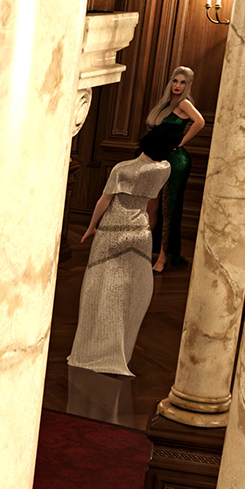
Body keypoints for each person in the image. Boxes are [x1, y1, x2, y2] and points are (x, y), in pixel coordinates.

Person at [66, 126, 177, 376]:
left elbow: (104, 201)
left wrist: (91, 227)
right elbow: (151, 202)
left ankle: (94, 347)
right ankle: (121, 348)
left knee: (99, 287)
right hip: (140, 232)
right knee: (132, 288)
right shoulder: (165, 168)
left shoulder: (122, 168)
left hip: (112, 230)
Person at [145, 66, 204, 272]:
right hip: (158, 157)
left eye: (183, 82)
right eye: (175, 81)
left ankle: (162, 258)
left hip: (176, 161)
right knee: (151, 206)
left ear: (189, 85)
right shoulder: (165, 103)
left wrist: (182, 142)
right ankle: (144, 250)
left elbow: (200, 122)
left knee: (169, 208)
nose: (178, 85)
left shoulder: (184, 103)